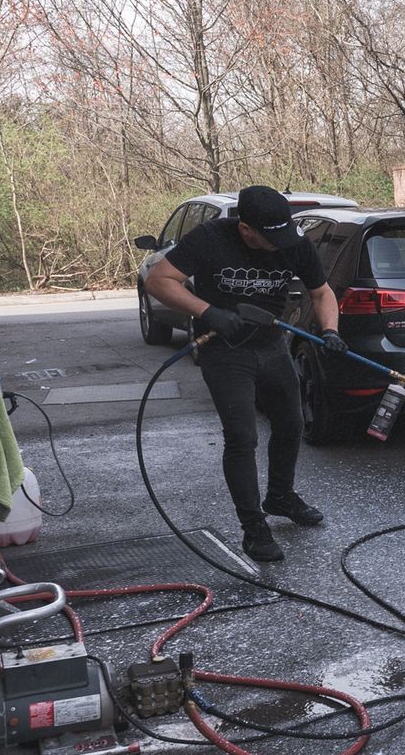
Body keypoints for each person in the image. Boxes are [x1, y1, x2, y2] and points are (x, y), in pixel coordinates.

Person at [143, 186, 347, 563]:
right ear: (246, 228)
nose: (278, 244)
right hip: (225, 349)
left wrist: (330, 331)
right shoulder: (209, 238)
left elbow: (321, 292)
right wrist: (208, 312)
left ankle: (280, 497)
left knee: (290, 424)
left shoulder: (293, 242)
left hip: (271, 346)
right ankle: (253, 528)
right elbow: (158, 279)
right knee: (242, 437)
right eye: (270, 237)